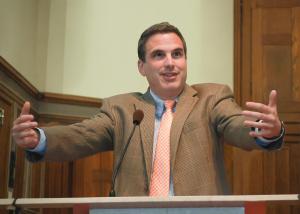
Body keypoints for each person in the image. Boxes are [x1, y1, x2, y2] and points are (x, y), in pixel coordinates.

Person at [12, 22, 284, 196]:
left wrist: (264, 131)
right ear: (142, 66)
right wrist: (39, 139)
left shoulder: (211, 98)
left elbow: (236, 125)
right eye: (159, 55)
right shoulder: (120, 108)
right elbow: (81, 135)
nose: (170, 63)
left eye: (177, 54)